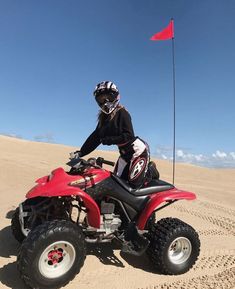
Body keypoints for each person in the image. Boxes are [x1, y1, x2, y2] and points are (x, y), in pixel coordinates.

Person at [76, 80, 150, 189]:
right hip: (124, 154)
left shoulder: (122, 113)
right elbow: (95, 137)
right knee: (117, 183)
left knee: (134, 186)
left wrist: (108, 140)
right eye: (101, 99)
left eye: (108, 97)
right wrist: (81, 152)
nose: (105, 101)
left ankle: (150, 172)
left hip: (137, 151)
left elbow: (128, 136)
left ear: (115, 96)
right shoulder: (103, 118)